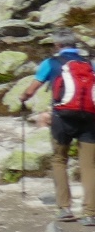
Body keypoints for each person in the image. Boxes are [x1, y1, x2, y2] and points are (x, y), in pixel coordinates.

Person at [37, 43, 95, 221]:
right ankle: (90, 213)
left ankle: (64, 208)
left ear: (57, 45)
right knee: (89, 166)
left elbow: (32, 88)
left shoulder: (51, 62)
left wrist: (23, 98)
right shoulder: (90, 64)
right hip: (89, 118)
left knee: (59, 160)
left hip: (62, 119)